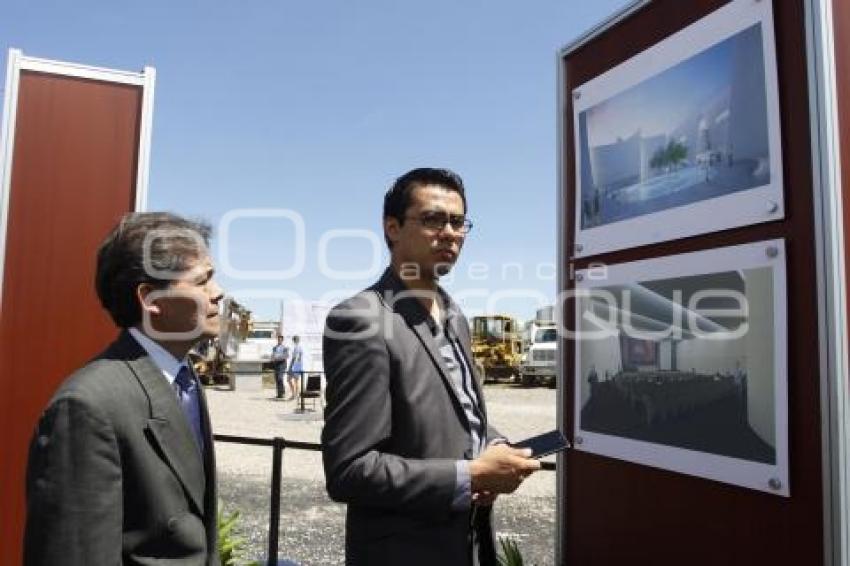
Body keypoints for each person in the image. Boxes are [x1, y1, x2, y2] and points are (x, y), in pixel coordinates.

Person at [321, 168, 540, 566]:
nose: (450, 233)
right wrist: (469, 476)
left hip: (469, 544)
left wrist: (493, 445)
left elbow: (457, 413)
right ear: (392, 228)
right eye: (433, 219)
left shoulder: (454, 314)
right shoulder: (362, 319)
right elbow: (350, 470)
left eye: (458, 222)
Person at [24, 212, 224, 566]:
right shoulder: (87, 407)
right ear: (150, 299)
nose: (217, 293)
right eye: (202, 281)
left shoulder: (184, 377)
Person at [271, 333, 290, 399]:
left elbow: (286, 356)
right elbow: (273, 356)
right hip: (276, 364)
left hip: (282, 364)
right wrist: (273, 358)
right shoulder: (275, 348)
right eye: (278, 339)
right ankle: (279, 394)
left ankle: (283, 392)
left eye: (280, 339)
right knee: (276, 379)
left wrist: (278, 357)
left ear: (282, 340)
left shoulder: (285, 348)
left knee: (280, 378)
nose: (279, 340)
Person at [287, 335, 303, 401]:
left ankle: (294, 395)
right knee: (293, 381)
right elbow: (299, 357)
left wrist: (290, 367)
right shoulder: (300, 347)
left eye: (295, 339)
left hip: (295, 365)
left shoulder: (297, 347)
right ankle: (295, 394)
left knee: (290, 380)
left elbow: (294, 358)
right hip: (298, 365)